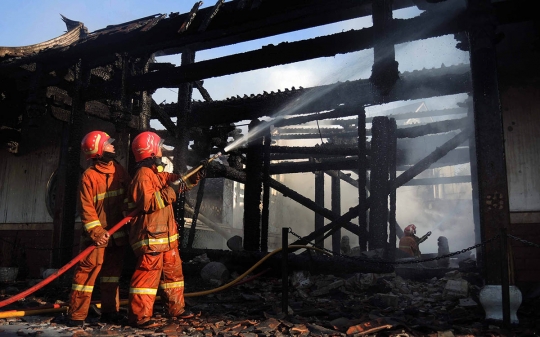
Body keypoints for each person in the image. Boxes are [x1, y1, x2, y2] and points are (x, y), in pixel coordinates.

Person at [127, 131, 205, 328]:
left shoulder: (156, 173)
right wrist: (172, 190)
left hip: (166, 237)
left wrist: (194, 174)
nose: (162, 150)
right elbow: (149, 203)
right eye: (159, 147)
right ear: (150, 150)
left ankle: (175, 309)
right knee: (147, 277)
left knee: (173, 275)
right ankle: (140, 317)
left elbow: (177, 181)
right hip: (151, 237)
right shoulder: (143, 176)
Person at [68, 131, 131, 327]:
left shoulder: (119, 171)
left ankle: (110, 312)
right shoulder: (89, 176)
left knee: (111, 277)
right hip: (95, 239)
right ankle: (77, 316)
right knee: (85, 276)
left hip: (117, 237)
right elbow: (86, 209)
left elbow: (130, 195)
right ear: (98, 150)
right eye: (108, 144)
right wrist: (96, 233)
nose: (113, 146)